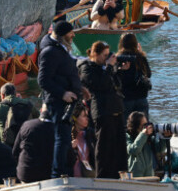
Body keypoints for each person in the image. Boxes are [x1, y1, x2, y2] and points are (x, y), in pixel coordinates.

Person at [37, 20, 83, 178]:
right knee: (61, 138)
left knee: (63, 138)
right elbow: (43, 80)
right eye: (71, 33)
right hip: (58, 102)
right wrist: (63, 93)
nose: (73, 35)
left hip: (67, 102)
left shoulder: (61, 49)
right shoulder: (50, 52)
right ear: (63, 35)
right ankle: (57, 173)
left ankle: (62, 170)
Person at [78, 41, 129, 179]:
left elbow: (117, 85)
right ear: (95, 54)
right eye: (104, 55)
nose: (107, 58)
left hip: (117, 108)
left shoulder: (107, 67)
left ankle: (121, 175)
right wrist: (109, 67)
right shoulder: (87, 68)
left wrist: (119, 70)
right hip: (102, 110)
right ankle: (103, 176)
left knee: (119, 146)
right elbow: (100, 84)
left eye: (108, 55)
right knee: (104, 147)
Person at [12, 107, 55, 184]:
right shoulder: (59, 129)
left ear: (41, 110)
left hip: (26, 174)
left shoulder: (27, 125)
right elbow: (68, 158)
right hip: (48, 176)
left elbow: (15, 152)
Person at [116, 33, 152, 121]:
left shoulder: (119, 58)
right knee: (144, 126)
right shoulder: (140, 57)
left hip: (126, 98)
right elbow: (148, 74)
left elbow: (114, 77)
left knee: (126, 127)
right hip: (141, 97)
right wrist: (142, 55)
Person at [126, 112, 169, 177]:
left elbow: (160, 150)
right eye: (144, 125)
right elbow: (134, 150)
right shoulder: (127, 137)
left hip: (149, 176)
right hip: (135, 176)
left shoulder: (148, 138)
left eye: (147, 124)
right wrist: (143, 134)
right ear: (136, 126)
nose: (146, 127)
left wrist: (164, 137)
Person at [68, 103, 96, 178]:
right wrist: (70, 148)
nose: (87, 118)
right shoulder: (67, 136)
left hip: (89, 176)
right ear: (75, 118)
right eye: (84, 116)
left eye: (87, 115)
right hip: (73, 178)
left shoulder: (90, 135)